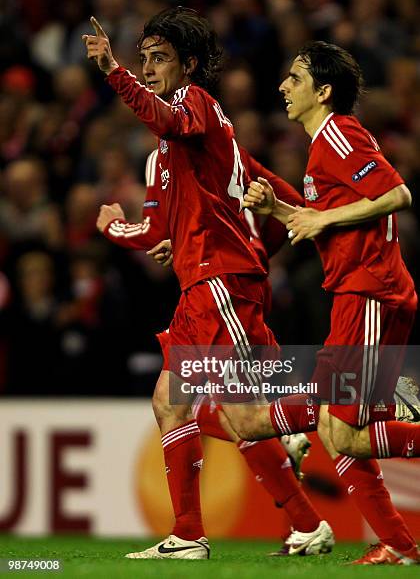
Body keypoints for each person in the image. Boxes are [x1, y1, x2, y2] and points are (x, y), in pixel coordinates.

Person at [98, 144, 335, 557]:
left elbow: (152, 232)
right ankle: (193, 534)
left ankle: (355, 406)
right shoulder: (230, 149)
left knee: (242, 416)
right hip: (210, 286)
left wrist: (113, 226)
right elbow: (291, 206)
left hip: (218, 287)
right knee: (170, 402)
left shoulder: (170, 151)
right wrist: (251, 249)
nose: (149, 75)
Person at [243, 40, 420, 565]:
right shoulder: (323, 148)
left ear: (323, 91)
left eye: (295, 78)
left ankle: (398, 543)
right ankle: (398, 545)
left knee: (342, 432)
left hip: (371, 292)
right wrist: (280, 208)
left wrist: (321, 218)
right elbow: (323, 223)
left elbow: (397, 194)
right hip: (358, 293)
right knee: (335, 428)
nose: (283, 86)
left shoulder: (339, 132)